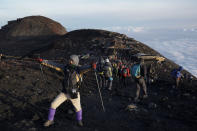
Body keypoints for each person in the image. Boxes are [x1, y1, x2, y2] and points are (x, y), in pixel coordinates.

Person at [37, 55, 96, 127]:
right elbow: (53, 64)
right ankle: (50, 120)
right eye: (69, 60)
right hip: (64, 92)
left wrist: (92, 66)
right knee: (53, 104)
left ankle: (79, 120)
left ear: (75, 62)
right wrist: (42, 61)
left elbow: (87, 67)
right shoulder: (65, 67)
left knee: (78, 108)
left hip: (74, 91)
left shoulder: (79, 69)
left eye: (72, 60)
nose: (70, 61)